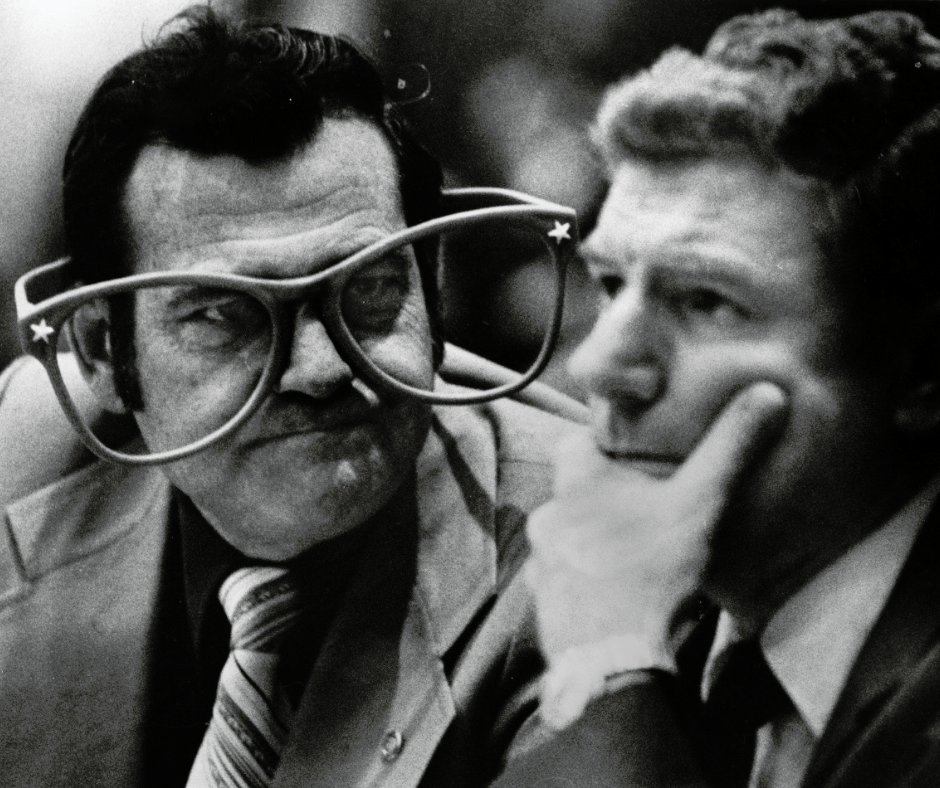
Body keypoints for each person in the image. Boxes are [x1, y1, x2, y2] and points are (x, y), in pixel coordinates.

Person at [0, 7, 582, 787]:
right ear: (104, 350)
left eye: (371, 288)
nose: (318, 369)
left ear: (432, 285)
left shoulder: (582, 553)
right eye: (224, 314)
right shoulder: (23, 462)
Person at [496, 8, 940, 788]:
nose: (599, 363)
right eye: (608, 284)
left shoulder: (606, 625)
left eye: (705, 301)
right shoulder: (616, 597)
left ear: (922, 369)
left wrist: (605, 670)